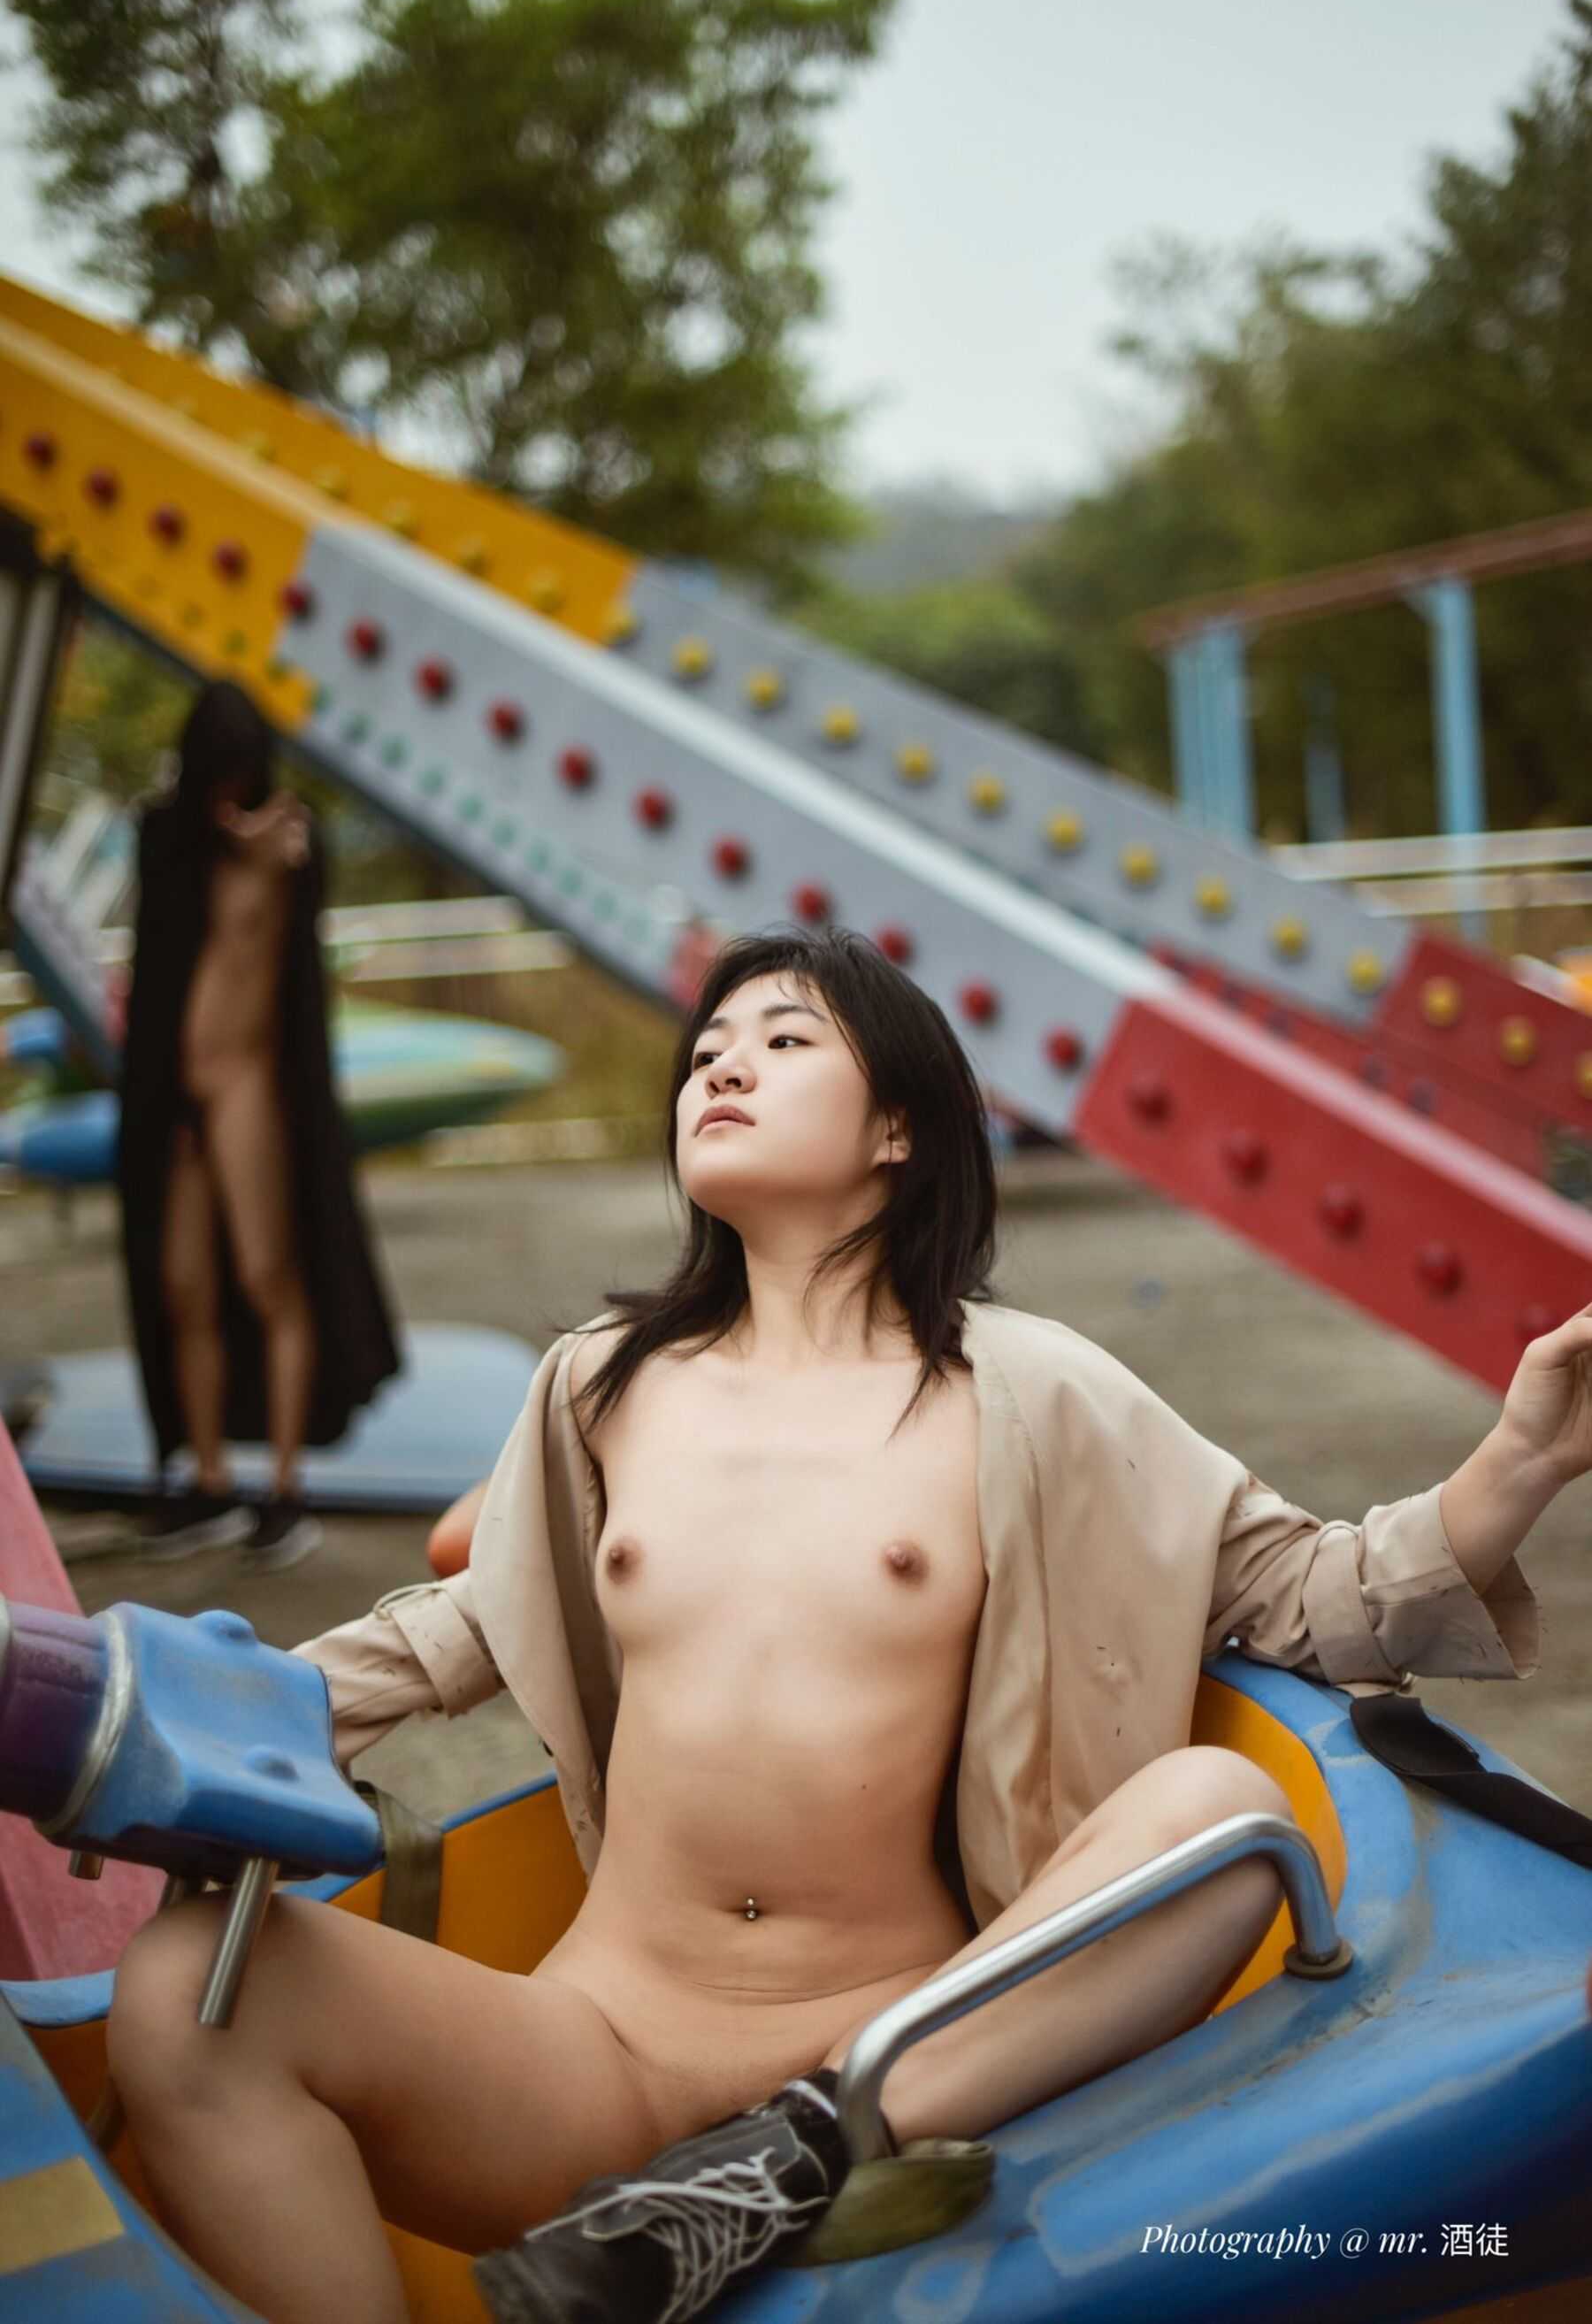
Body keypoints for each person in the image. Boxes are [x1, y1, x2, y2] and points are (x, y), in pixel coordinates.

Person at [105, 927, 1576, 2324]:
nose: (721, 1064)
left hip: (896, 2054)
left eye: (784, 1038)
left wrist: (1518, 1459)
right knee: (185, 1989)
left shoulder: (1034, 1388)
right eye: (706, 1049)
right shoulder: (606, 1380)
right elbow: (463, 1623)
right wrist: (167, 1713)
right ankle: (684, 2197)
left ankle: (779, 2155)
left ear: (900, 1128)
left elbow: (1313, 1593)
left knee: (1224, 1812)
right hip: (593, 2055)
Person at [115, 679, 401, 1569]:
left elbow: (298, 929)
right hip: (178, 1096)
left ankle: (284, 1486)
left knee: (268, 1274)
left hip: (248, 1086)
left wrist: (267, 853)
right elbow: (161, 920)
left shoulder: (285, 841)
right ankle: (209, 1478)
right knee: (184, 1287)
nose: (232, 793)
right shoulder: (173, 841)